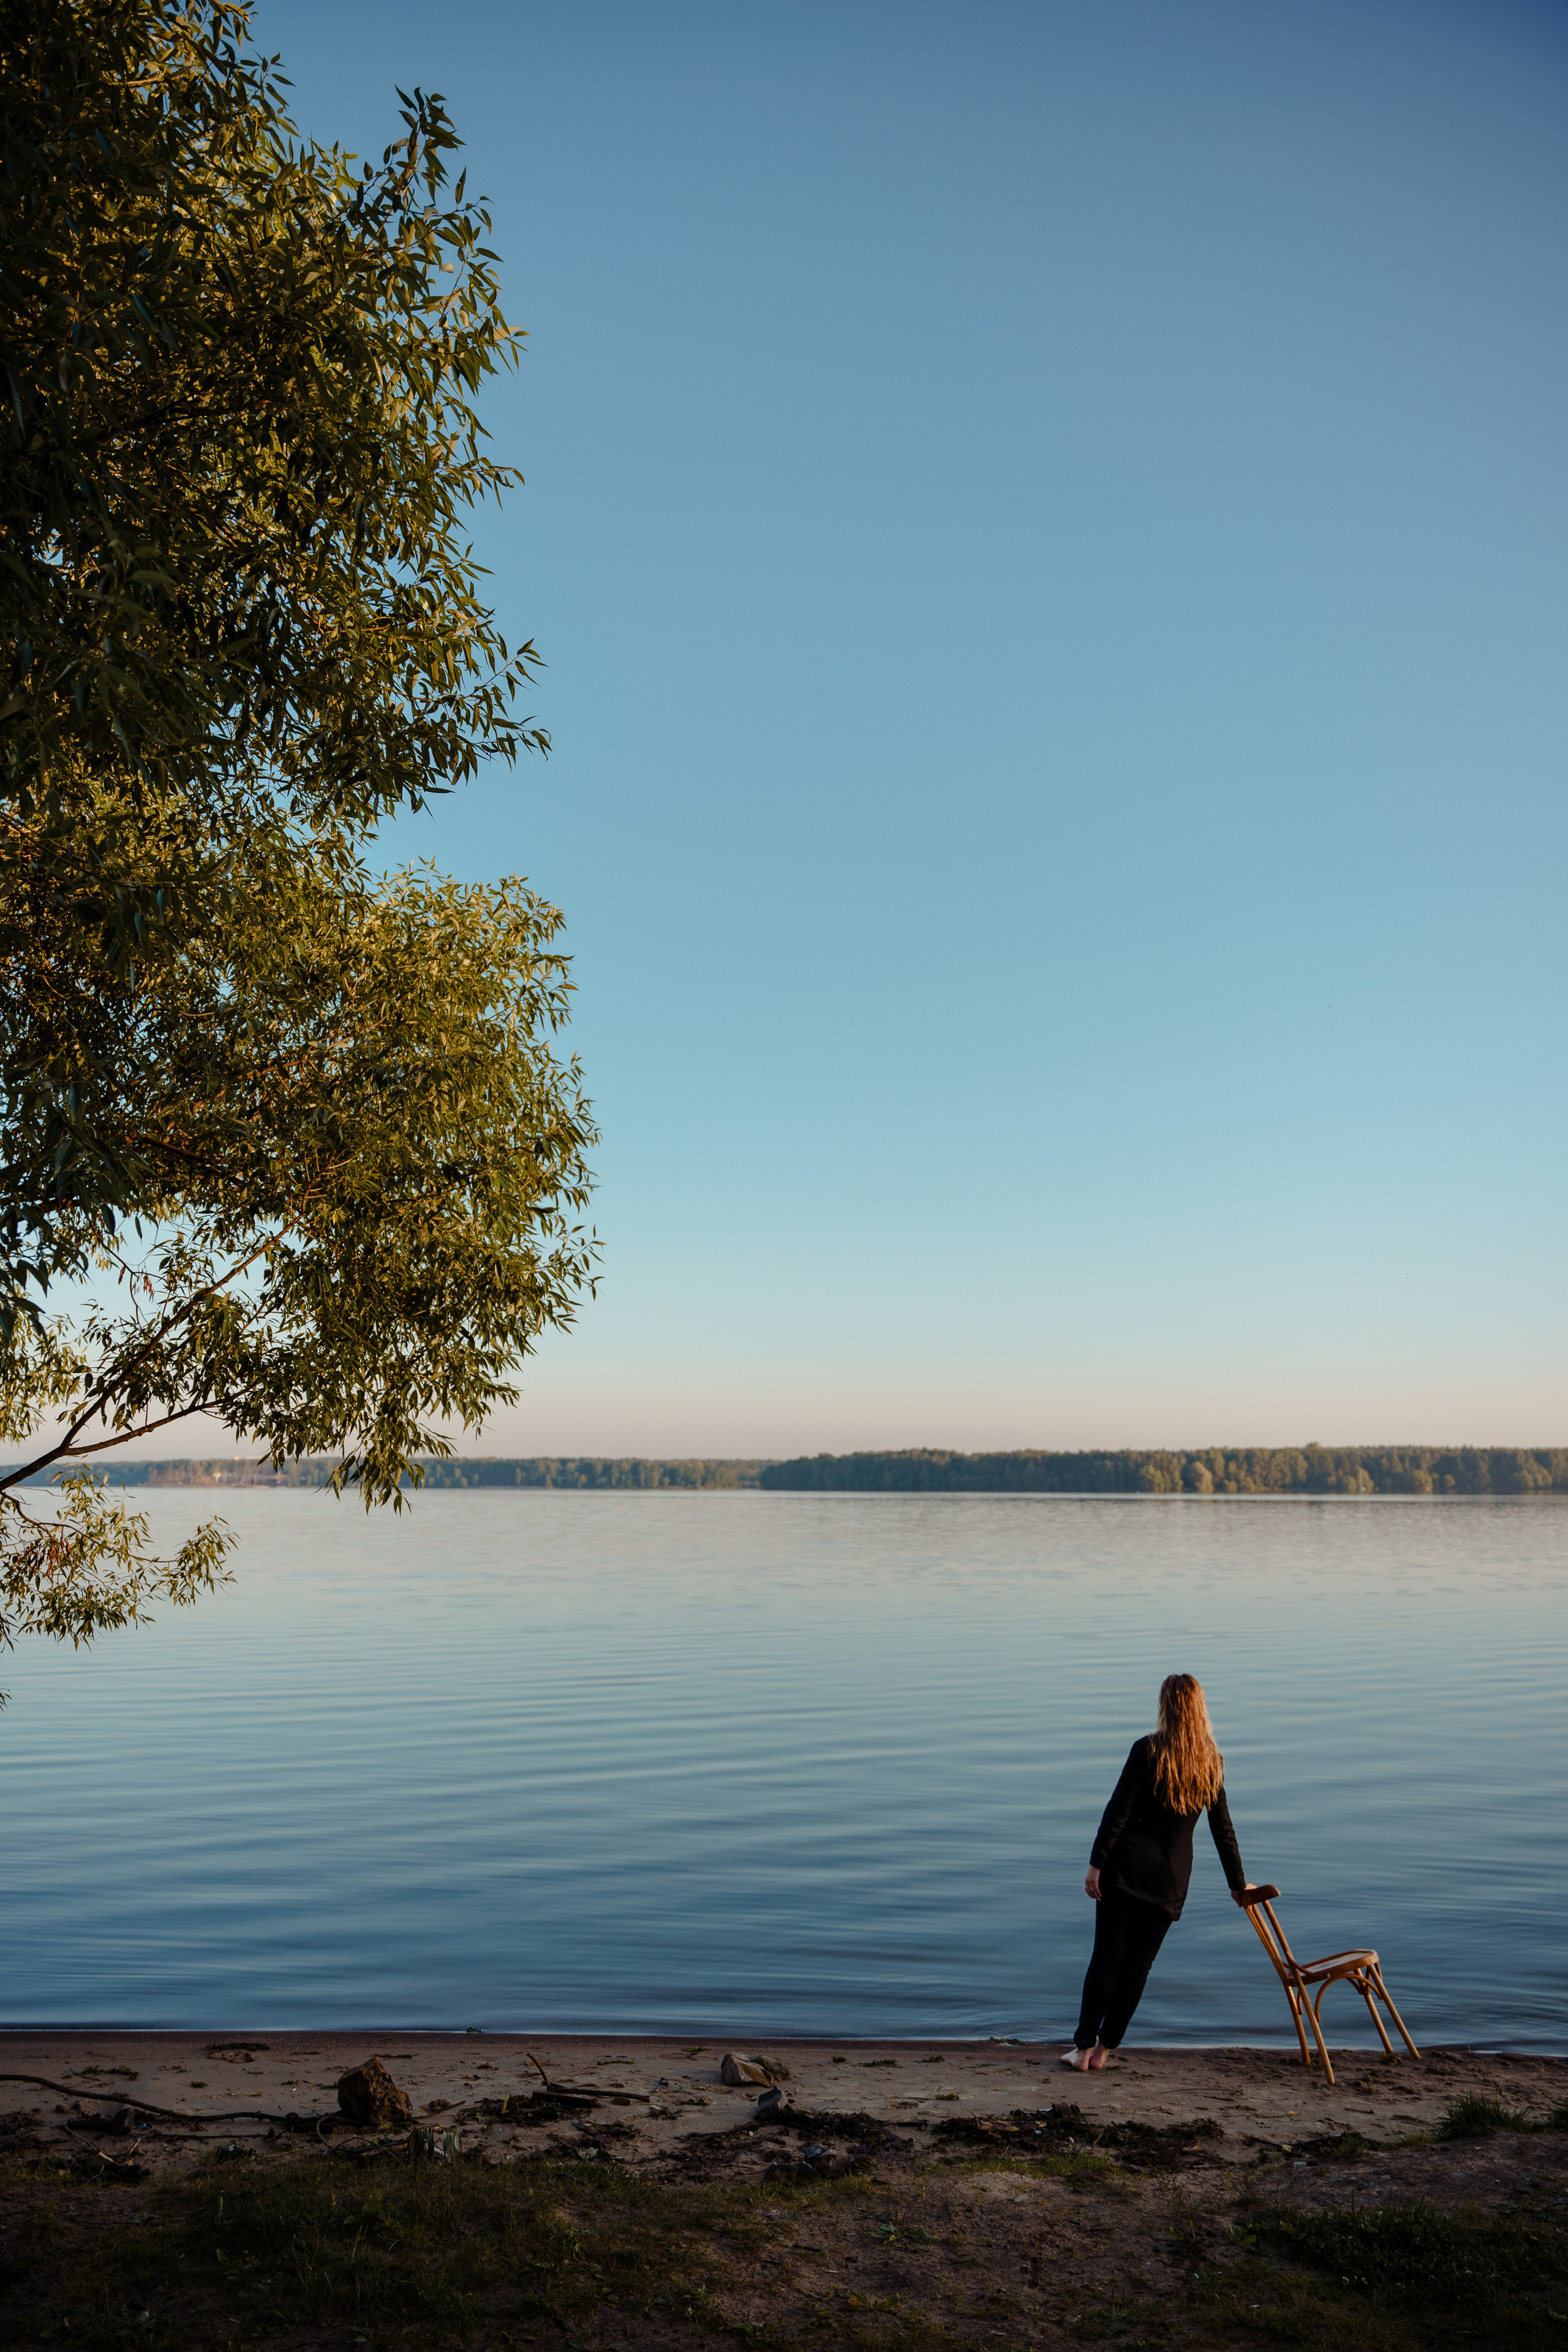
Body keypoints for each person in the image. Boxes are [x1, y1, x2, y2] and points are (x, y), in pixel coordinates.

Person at [1063, 1673, 1254, 2071]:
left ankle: (1081, 2050)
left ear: (1165, 1707)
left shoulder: (1147, 1750)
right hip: (1169, 1882)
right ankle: (1103, 2051)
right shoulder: (1211, 1762)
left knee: (1106, 1959)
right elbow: (1223, 1829)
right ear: (1200, 1710)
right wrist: (1237, 1885)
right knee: (1138, 1967)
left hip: (1124, 1873)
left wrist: (1096, 1864)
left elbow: (1117, 1813)